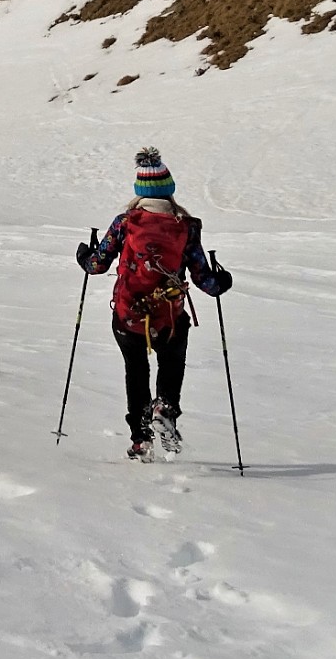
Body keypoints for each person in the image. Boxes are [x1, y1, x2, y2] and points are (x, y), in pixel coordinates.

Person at [76, 147, 232, 461]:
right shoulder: (186, 226)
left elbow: (96, 265)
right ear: (169, 191)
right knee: (171, 364)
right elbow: (206, 280)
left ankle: (140, 439)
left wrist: (84, 255)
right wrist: (222, 280)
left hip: (128, 314)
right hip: (168, 316)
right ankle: (165, 409)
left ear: (139, 192)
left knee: (136, 371)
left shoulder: (125, 222)